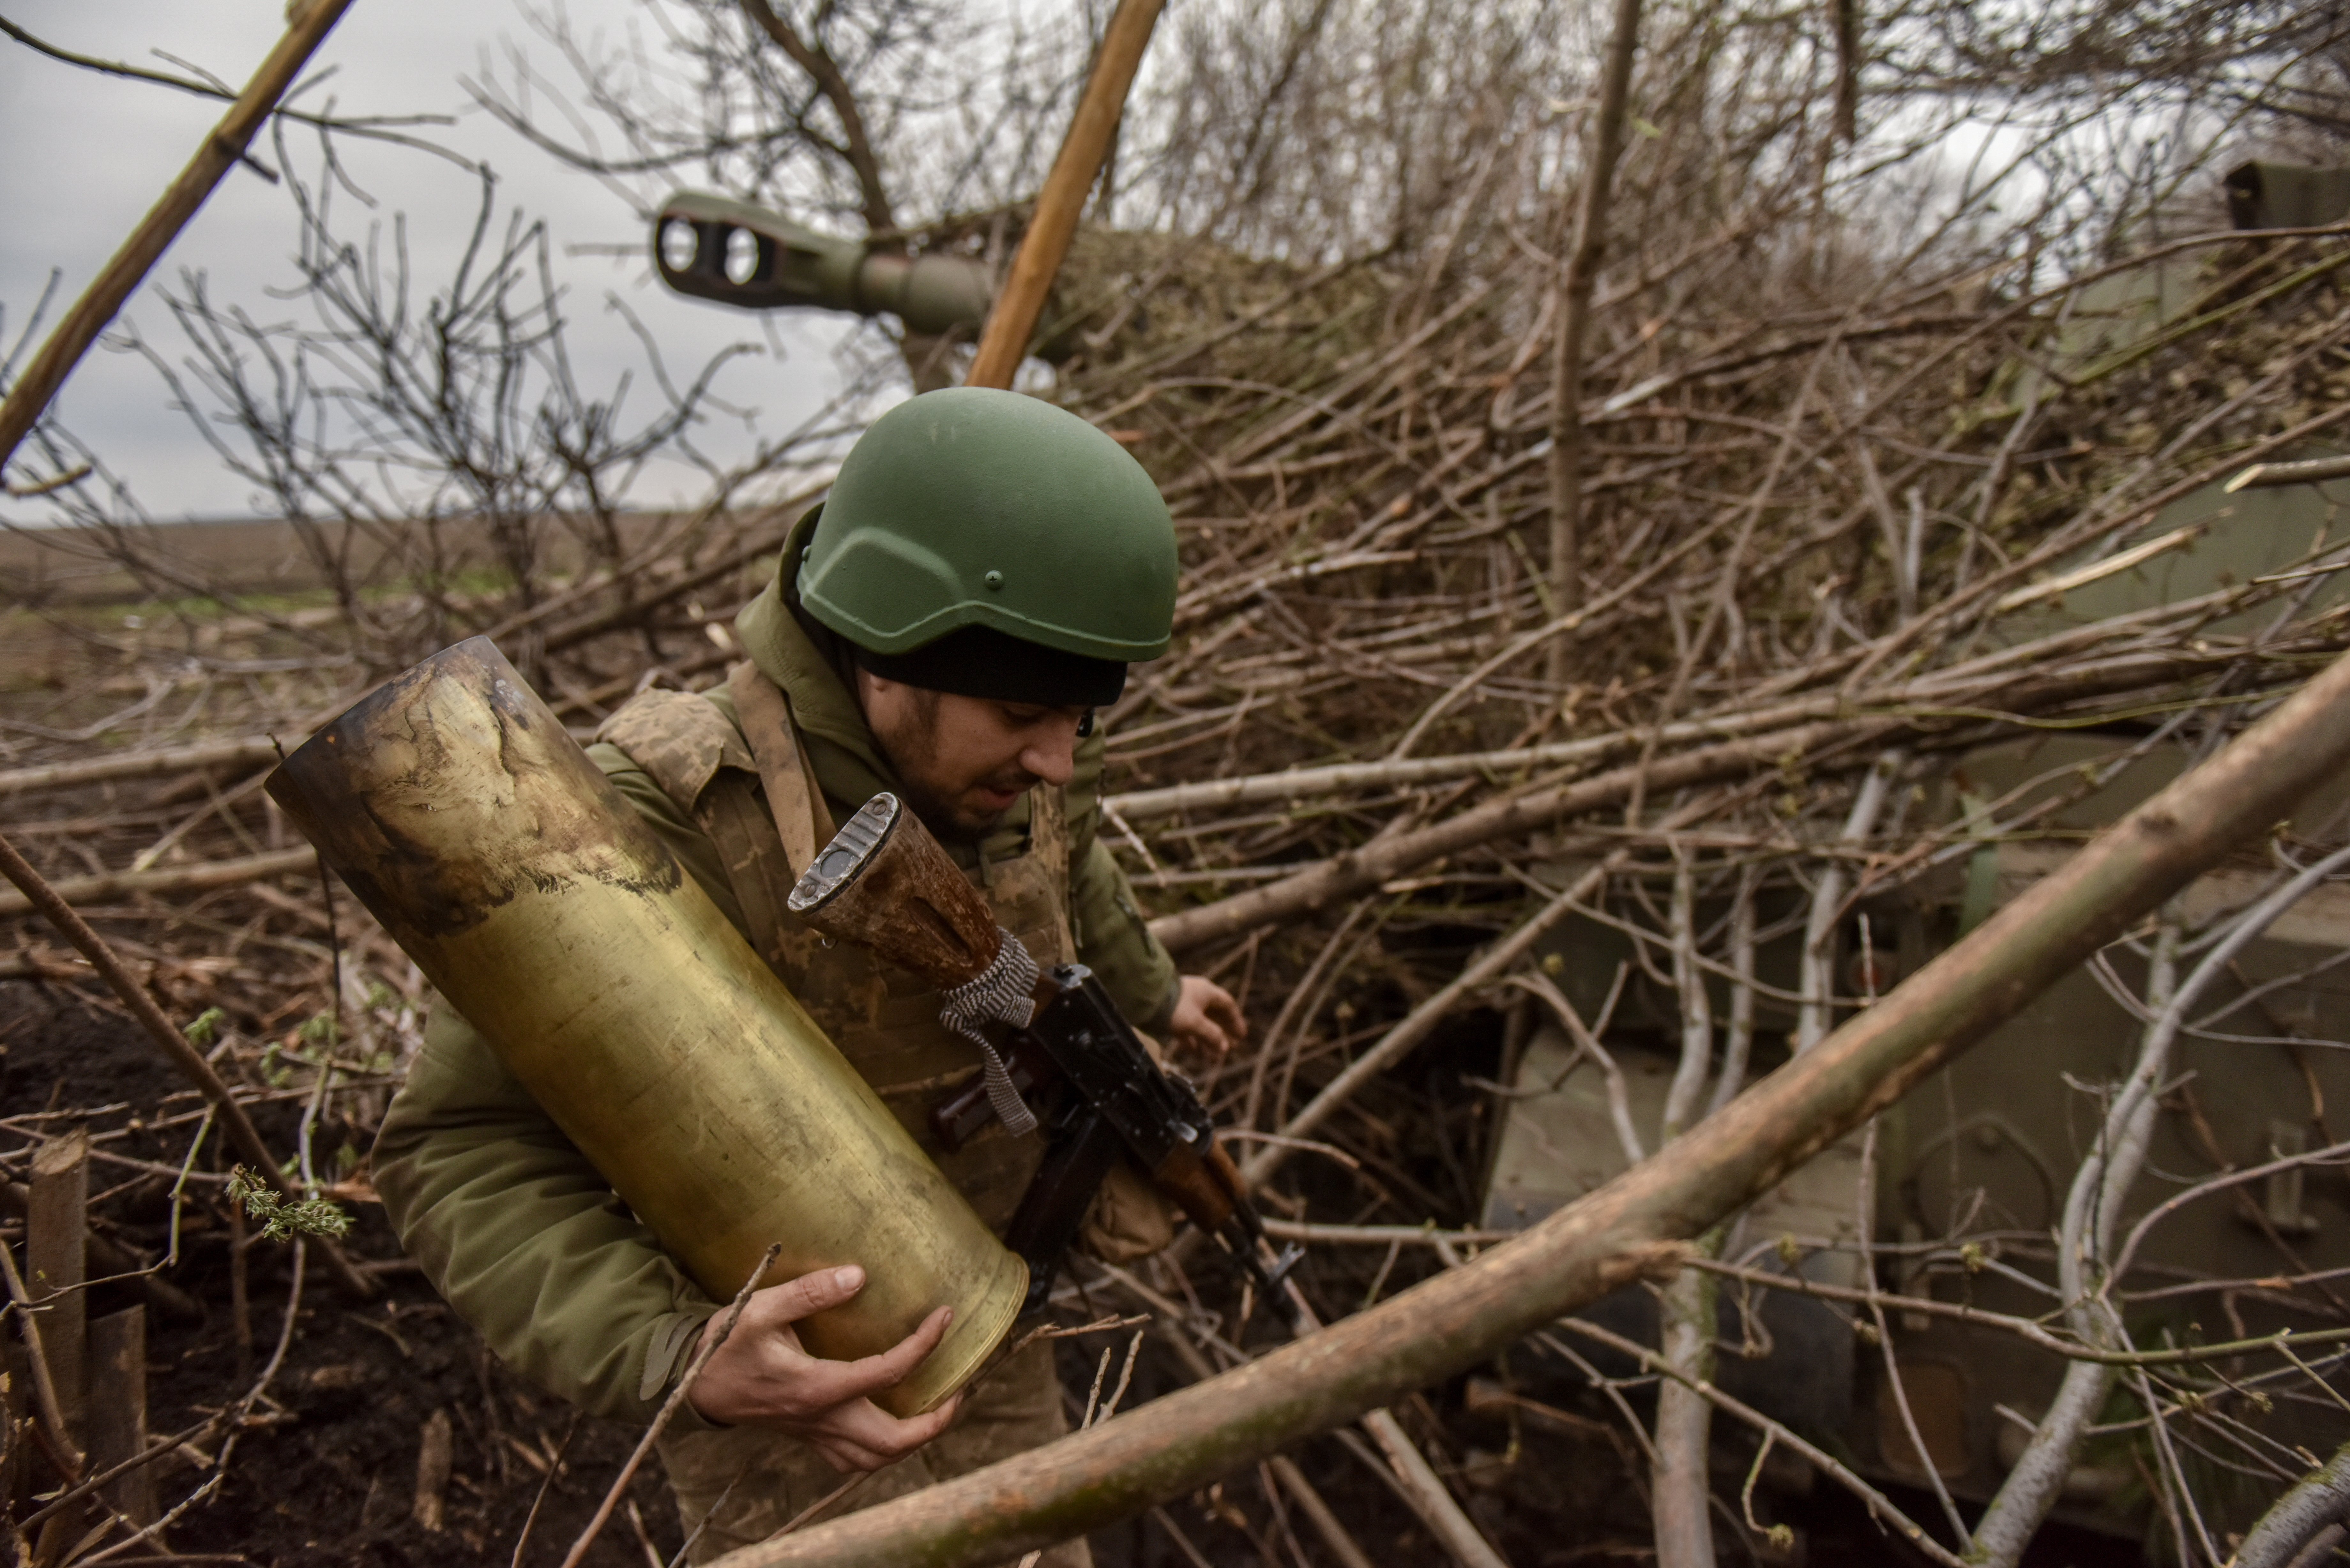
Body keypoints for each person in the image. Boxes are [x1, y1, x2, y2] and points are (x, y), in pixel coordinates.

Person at [372, 388, 1245, 1565]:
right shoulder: (645, 829)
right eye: (1026, 713)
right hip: (791, 1422)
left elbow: (1069, 871)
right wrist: (681, 1352)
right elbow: (460, 1151)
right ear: (891, 654)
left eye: (1081, 720)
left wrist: (1149, 993)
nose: (1056, 757)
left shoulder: (1029, 759)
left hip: (1005, 1329)